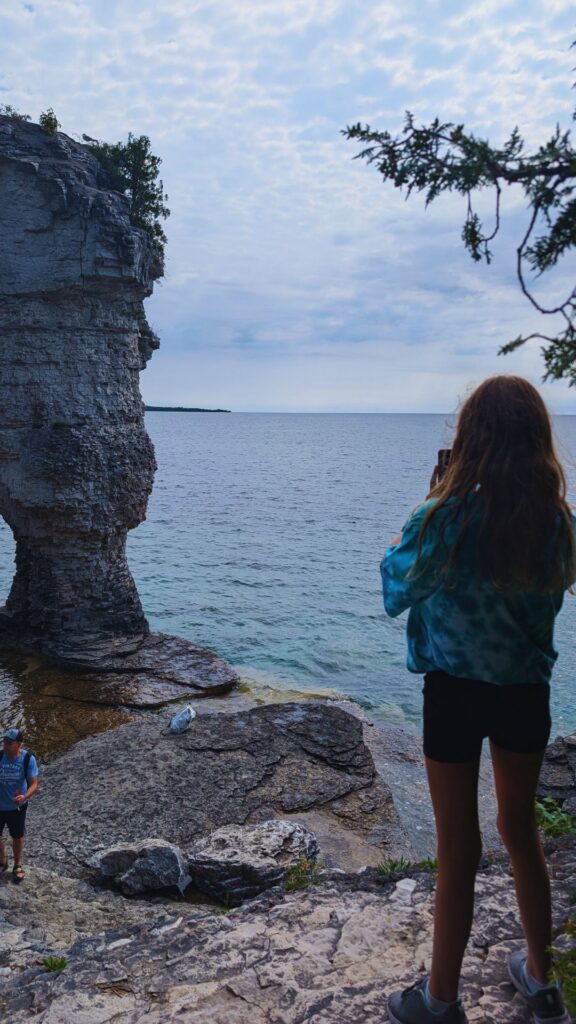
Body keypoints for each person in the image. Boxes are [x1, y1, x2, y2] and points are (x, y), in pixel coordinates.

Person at [380, 376, 575, 1024]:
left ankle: (440, 1001)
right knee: (520, 831)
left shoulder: (447, 516)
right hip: (525, 691)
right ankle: (543, 986)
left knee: (457, 840)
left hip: (454, 692)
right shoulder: (557, 522)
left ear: (470, 441)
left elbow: (395, 587)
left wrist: (437, 495)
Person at [0, 727, 39, 883]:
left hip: (17, 807)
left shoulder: (28, 759)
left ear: (19, 744)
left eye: (9, 742)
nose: (5, 745)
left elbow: (34, 784)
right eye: (4, 741)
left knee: (17, 836)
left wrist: (24, 797)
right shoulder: (0, 757)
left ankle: (17, 865)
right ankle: (2, 861)